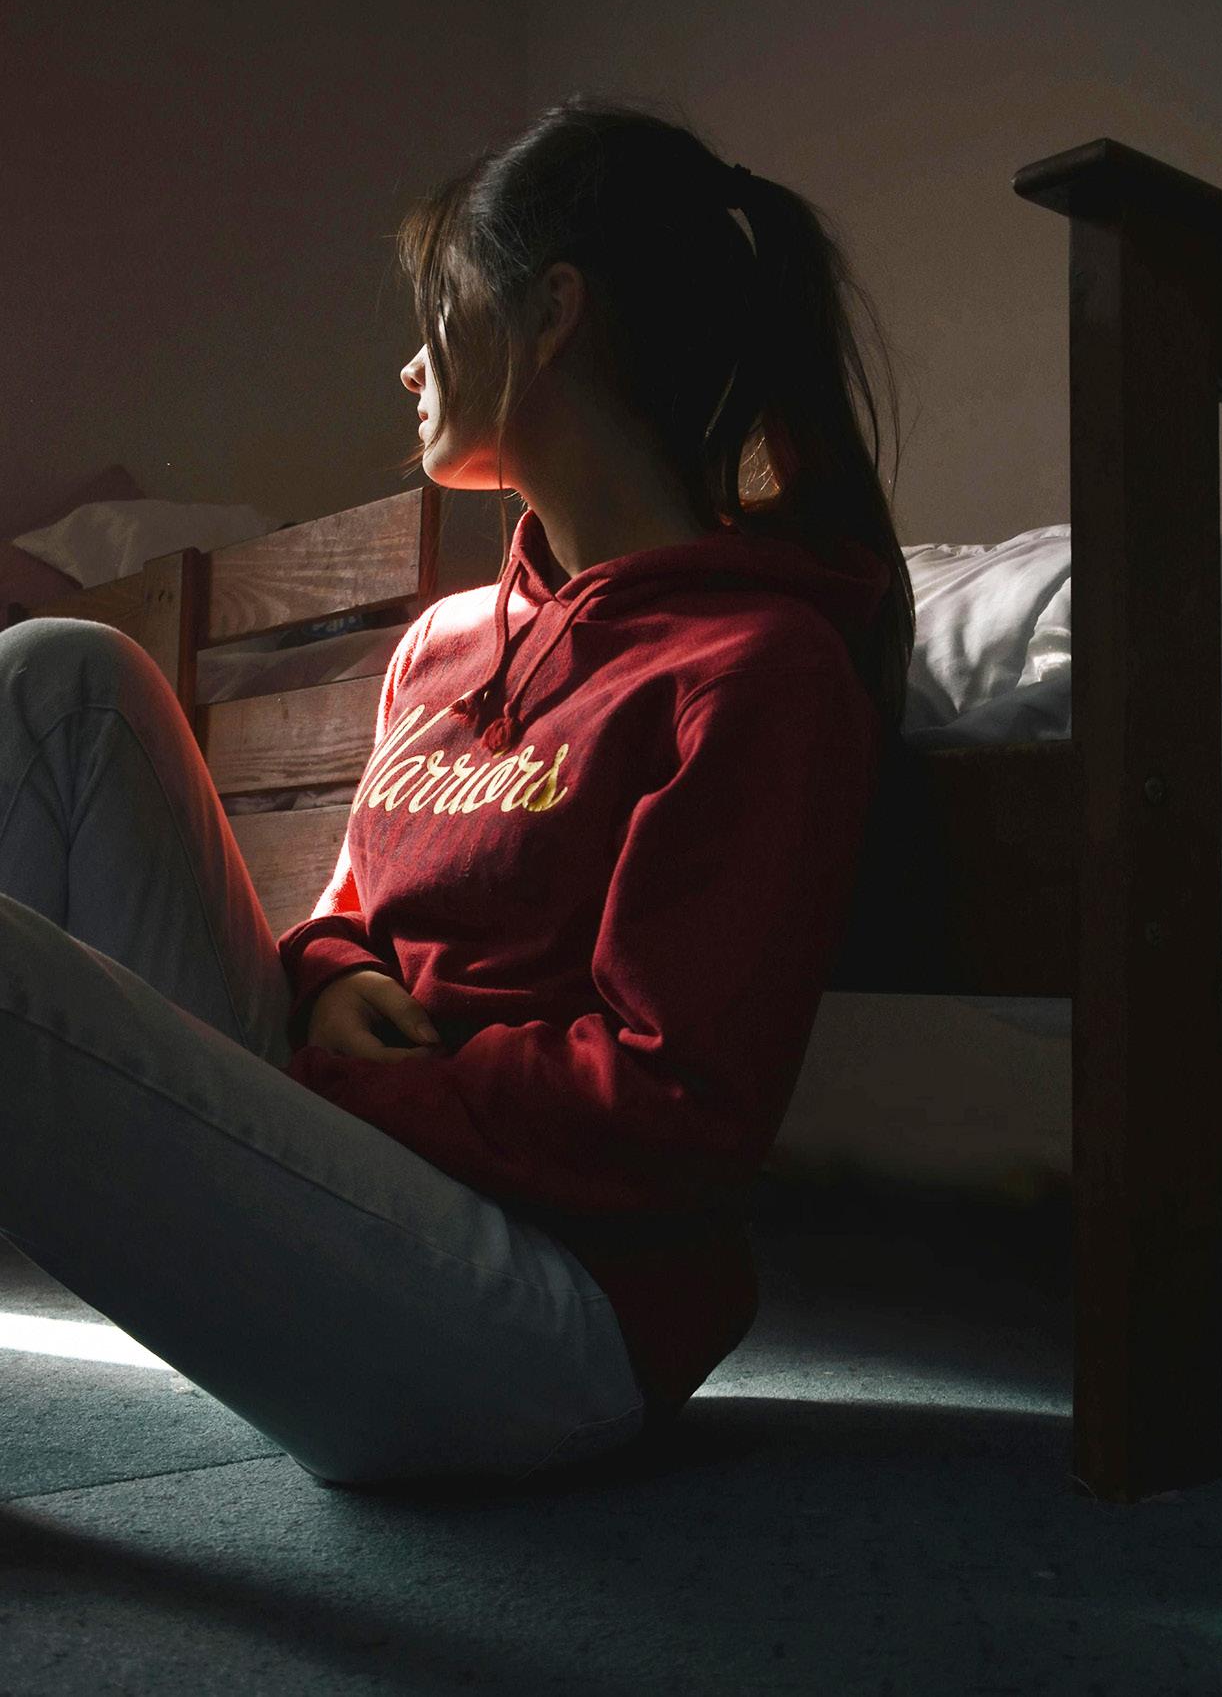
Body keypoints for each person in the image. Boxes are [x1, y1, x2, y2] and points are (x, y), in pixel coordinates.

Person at [0, 92, 915, 1489]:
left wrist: (348, 1089)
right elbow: (344, 917)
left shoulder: (754, 669)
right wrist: (325, 978)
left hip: (547, 1314)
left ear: (551, 316)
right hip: (360, 1176)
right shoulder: (443, 643)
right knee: (60, 675)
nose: (409, 362)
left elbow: (676, 1108)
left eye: (440, 310)